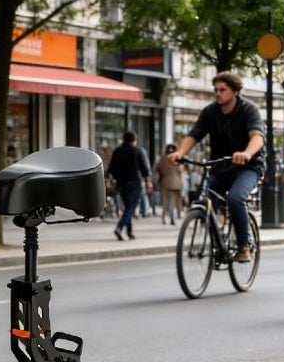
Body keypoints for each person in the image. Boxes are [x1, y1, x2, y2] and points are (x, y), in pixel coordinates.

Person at [168, 72, 266, 262]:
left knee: (236, 198)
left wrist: (246, 153)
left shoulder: (248, 110)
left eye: (223, 90)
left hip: (247, 167)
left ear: (235, 92)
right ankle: (217, 238)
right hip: (220, 166)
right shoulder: (210, 112)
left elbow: (257, 137)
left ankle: (243, 245)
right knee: (203, 198)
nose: (218, 93)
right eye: (215, 90)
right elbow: (194, 135)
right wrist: (180, 152)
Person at [108, 131, 151, 240]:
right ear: (134, 140)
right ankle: (119, 227)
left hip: (121, 183)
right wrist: (148, 181)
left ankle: (129, 232)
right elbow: (144, 168)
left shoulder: (117, 151)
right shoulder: (138, 151)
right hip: (134, 182)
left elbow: (111, 168)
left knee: (128, 207)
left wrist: (111, 180)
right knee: (131, 208)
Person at [155, 143, 182, 225]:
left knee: (165, 202)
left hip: (165, 182)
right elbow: (181, 170)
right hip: (176, 183)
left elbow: (158, 169)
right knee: (174, 202)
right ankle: (173, 217)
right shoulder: (177, 158)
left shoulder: (163, 158)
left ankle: (165, 217)